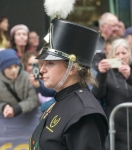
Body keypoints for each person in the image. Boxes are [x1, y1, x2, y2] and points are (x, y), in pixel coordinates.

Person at [29, 1, 108, 149]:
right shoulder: (61, 99)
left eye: (50, 63)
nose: (42, 70)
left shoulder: (85, 114)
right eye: (42, 63)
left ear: (73, 68)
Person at [92, 38, 132, 150]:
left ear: (129, 53)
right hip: (116, 129)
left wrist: (129, 77)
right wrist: (101, 74)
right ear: (111, 56)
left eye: (124, 53)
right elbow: (97, 95)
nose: (121, 56)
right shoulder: (108, 73)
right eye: (117, 53)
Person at [0, 49, 39, 118]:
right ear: (2, 69)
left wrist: (16, 108)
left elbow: (34, 99)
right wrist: (4, 107)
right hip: (9, 124)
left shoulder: (27, 77)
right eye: (9, 67)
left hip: (28, 119)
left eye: (16, 66)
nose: (13, 70)